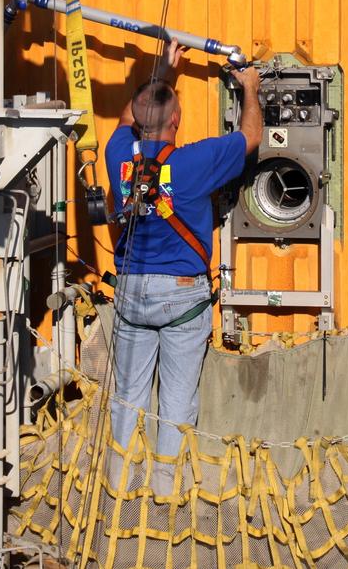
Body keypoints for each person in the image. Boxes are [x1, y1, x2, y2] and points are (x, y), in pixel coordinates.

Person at [105, 40, 262, 468]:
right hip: (181, 294)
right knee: (175, 404)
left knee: (127, 399)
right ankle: (164, 492)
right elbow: (251, 136)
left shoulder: (117, 155)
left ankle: (120, 487)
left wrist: (163, 74)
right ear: (176, 119)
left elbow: (128, 117)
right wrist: (250, 87)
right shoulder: (196, 161)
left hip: (131, 290)